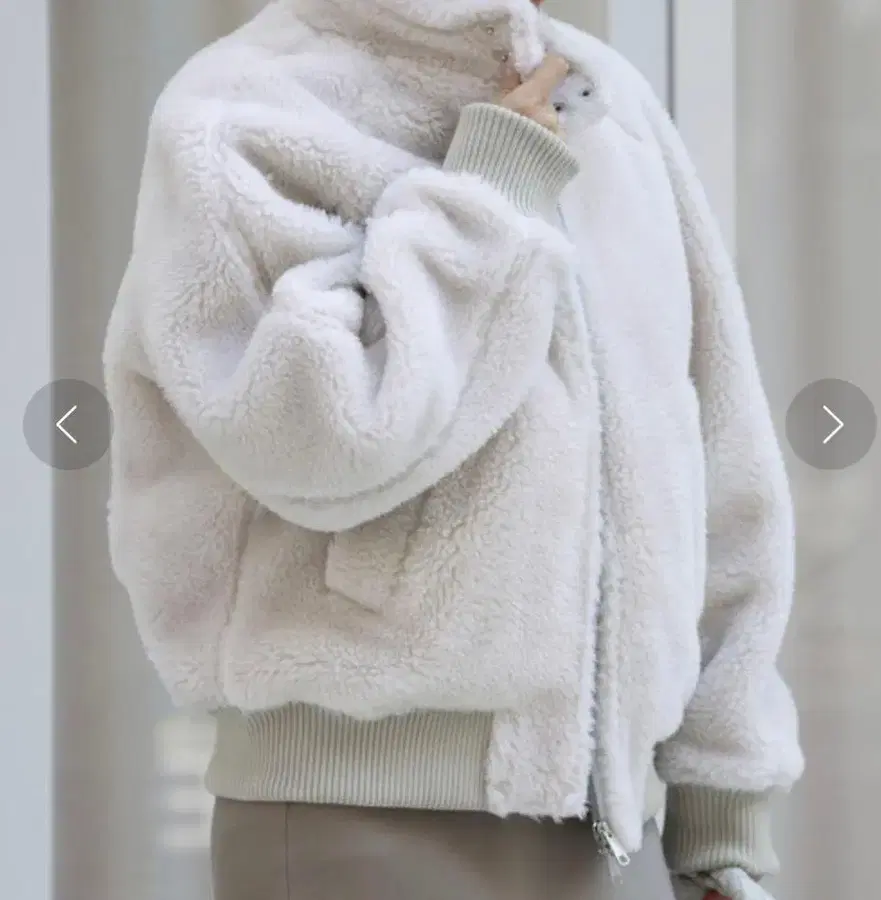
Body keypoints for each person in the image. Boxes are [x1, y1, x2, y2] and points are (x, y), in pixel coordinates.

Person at [103, 1, 803, 898]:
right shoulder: (243, 106)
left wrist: (722, 799)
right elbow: (319, 436)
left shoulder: (609, 105)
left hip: (609, 828)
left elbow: (713, 460)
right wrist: (487, 195)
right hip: (354, 825)